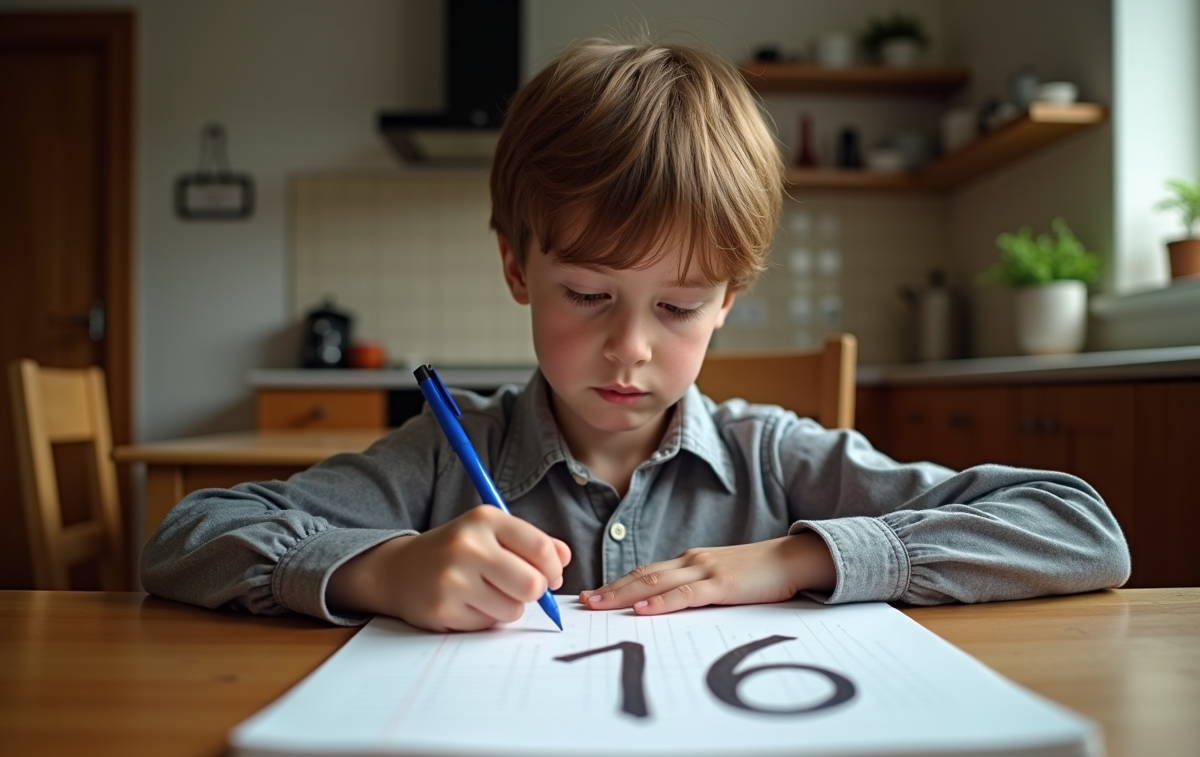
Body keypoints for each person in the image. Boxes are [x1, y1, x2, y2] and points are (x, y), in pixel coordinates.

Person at [140, 38, 1130, 632]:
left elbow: (1079, 527)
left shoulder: (776, 460)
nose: (629, 349)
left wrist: (793, 558)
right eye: (587, 293)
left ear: (729, 298)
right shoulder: (444, 456)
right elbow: (186, 536)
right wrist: (379, 568)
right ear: (518, 269)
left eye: (678, 304)